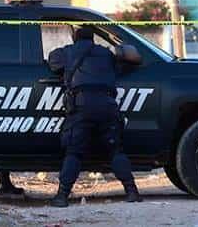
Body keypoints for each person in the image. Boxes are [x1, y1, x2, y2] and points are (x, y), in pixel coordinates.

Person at [48, 27, 142, 207]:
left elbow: (53, 63)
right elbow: (127, 62)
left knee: (74, 152)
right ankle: (132, 192)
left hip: (81, 107)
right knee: (116, 150)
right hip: (107, 105)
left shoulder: (67, 52)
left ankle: (62, 196)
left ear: (74, 37)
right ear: (93, 38)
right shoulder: (106, 53)